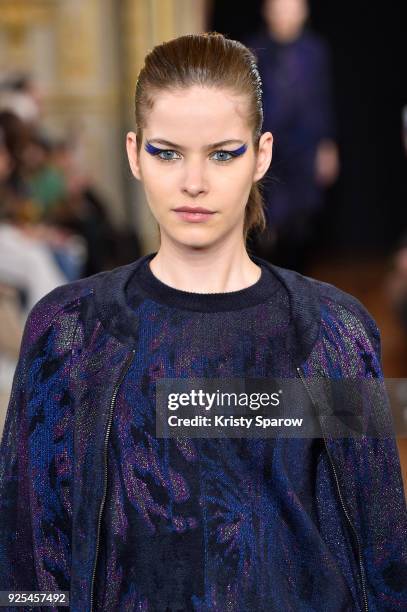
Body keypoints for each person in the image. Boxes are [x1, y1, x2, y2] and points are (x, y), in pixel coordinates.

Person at [0, 32, 406, 611]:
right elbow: (25, 559)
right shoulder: (71, 332)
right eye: (167, 152)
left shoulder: (331, 335)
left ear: (262, 154)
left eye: (223, 153)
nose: (194, 182)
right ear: (133, 153)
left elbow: (383, 551)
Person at [243, 0, 340, 271]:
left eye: (292, 7)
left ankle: (299, 287)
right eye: (279, 7)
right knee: (268, 218)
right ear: (267, 11)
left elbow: (323, 100)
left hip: (305, 147)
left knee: (303, 222)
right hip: (270, 147)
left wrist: (327, 145)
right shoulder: (254, 49)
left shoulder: (315, 50)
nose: (286, 14)